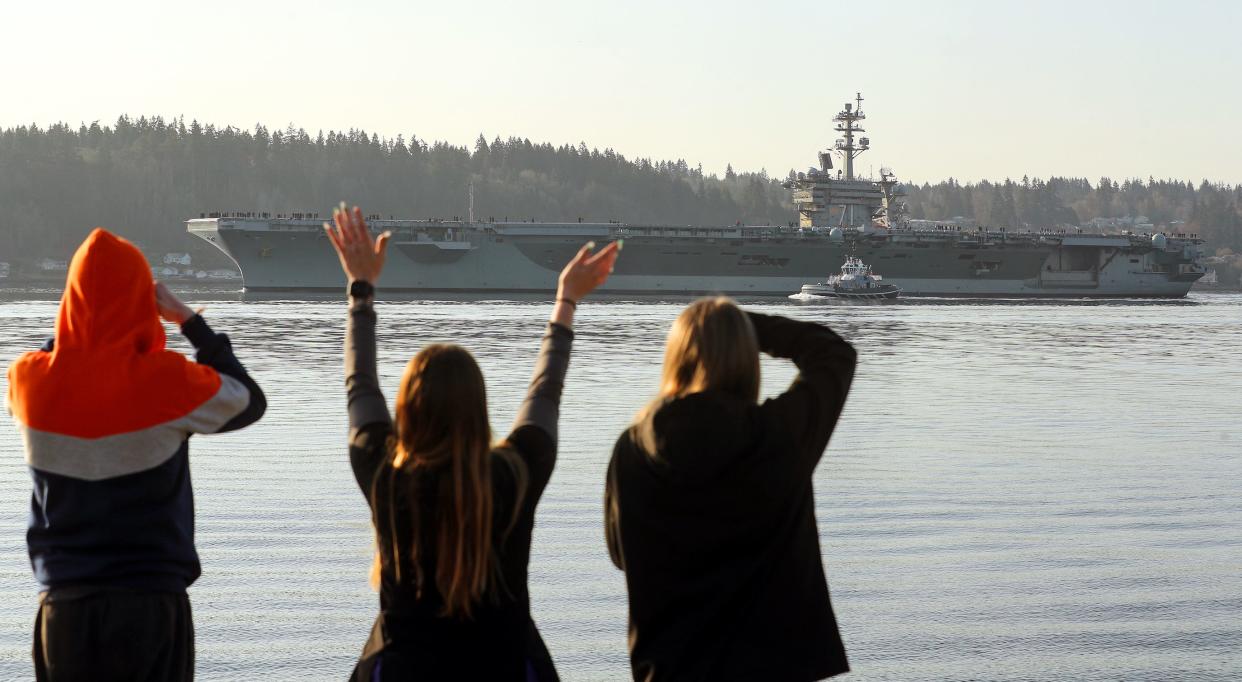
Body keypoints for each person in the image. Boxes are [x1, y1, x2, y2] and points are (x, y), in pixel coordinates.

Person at [324, 205, 618, 681]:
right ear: (479, 408)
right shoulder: (514, 474)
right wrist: (566, 299)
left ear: (408, 409)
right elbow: (545, 392)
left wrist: (361, 289)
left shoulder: (385, 474)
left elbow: (360, 384)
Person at [6, 228, 267, 681]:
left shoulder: (28, 383)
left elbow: (57, 352)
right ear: (142, 302)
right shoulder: (166, 383)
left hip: (62, 609)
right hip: (149, 607)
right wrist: (189, 321)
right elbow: (248, 400)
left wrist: (81, 317)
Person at [604, 298, 857, 681]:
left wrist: (698, 330)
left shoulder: (633, 449)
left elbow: (621, 555)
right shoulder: (779, 435)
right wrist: (737, 326)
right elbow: (833, 353)